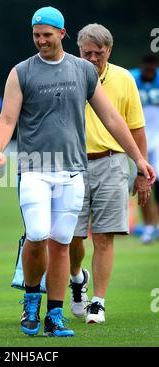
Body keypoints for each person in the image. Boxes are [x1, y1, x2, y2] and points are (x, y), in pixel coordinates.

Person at [0, 7, 155, 338]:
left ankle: (55, 314)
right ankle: (32, 299)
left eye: (47, 35)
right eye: (36, 35)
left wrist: (138, 159)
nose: (41, 41)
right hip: (34, 169)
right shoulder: (21, 72)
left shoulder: (82, 71)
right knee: (37, 236)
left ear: (62, 34)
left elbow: (112, 119)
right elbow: (7, 120)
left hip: (72, 171)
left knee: (62, 242)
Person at [68, 24, 150, 324]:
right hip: (72, 163)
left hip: (112, 161)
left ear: (109, 52)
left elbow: (136, 128)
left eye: (98, 54)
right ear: (78, 50)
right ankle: (78, 279)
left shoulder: (124, 79)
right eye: (86, 53)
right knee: (71, 237)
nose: (92, 59)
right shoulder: (67, 74)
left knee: (104, 237)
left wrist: (141, 169)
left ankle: (98, 303)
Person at [130, 54, 159, 244]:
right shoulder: (131, 78)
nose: (149, 72)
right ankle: (149, 226)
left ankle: (155, 224)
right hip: (140, 140)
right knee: (143, 183)